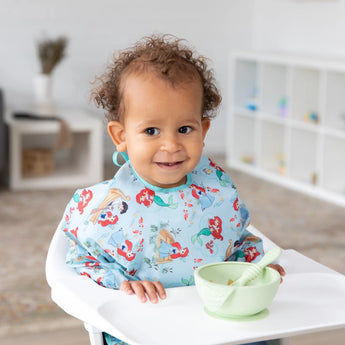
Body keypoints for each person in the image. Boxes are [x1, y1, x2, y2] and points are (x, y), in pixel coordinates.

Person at [59, 34, 285, 345]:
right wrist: (124, 283)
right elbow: (80, 259)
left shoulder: (215, 191)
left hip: (217, 321)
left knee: (268, 334)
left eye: (185, 129)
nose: (171, 145)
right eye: (151, 130)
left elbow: (236, 241)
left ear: (203, 131)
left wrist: (254, 266)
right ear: (121, 136)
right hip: (147, 324)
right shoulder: (110, 206)